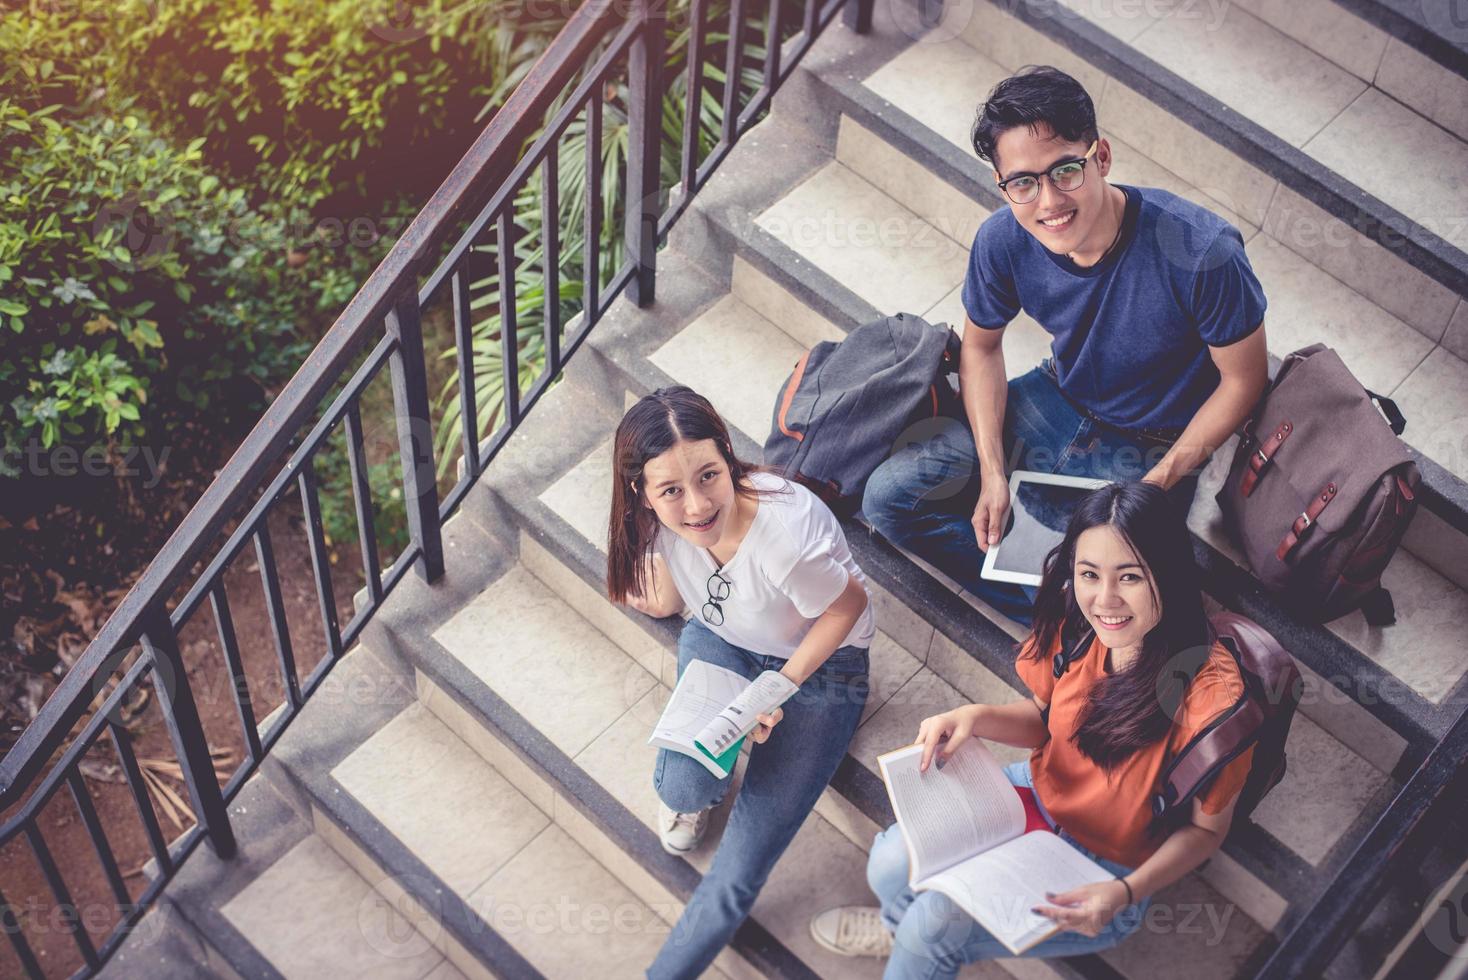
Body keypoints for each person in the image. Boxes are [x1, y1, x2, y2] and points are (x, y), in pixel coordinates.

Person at [862, 65, 1269, 625]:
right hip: (1055, 400)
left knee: (1122, 589)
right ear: (1004, 186)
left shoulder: (1201, 250)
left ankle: (1079, 617)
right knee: (888, 498)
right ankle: (1059, 619)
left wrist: (1156, 487)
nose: (1049, 201)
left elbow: (1244, 381)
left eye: (1066, 170)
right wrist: (991, 471)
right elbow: (980, 349)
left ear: (1100, 157)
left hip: (1153, 445)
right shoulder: (1003, 240)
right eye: (1023, 182)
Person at [810, 481, 1255, 976]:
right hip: (1036, 796)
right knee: (891, 863)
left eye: (1129, 577)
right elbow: (1047, 721)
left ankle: (909, 939)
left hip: (1107, 867)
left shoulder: (1213, 699)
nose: (1105, 599)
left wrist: (1124, 892)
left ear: (1167, 576)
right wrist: (974, 717)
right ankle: (897, 927)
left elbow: (1205, 831)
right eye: (1089, 574)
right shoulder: (1078, 623)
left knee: (931, 929)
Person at [606, 385, 877, 979]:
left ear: (727, 458)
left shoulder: (780, 537)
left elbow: (848, 606)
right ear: (641, 493)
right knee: (681, 785)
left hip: (821, 668)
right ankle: (699, 790)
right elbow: (679, 588)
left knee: (738, 868)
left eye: (709, 476)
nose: (697, 505)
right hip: (724, 636)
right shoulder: (657, 522)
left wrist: (779, 687)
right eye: (671, 490)